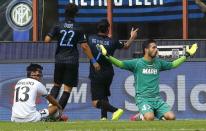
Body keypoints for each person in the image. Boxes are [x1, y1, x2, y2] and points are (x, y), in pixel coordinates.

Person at [98, 39, 198, 121]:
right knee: (149, 118)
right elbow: (120, 64)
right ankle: (141, 116)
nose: (156, 50)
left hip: (157, 99)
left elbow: (173, 64)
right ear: (146, 49)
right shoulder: (137, 63)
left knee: (172, 117)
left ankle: (151, 114)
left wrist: (187, 54)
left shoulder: (158, 63)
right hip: (143, 99)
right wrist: (107, 55)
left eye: (156, 48)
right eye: (153, 47)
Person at [44, 3, 100, 113]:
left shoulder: (57, 25)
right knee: (67, 89)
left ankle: (47, 112)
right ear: (76, 14)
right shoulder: (79, 28)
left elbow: (46, 40)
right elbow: (84, 46)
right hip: (72, 60)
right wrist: (94, 61)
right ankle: (57, 114)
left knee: (56, 85)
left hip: (59, 59)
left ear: (65, 13)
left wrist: (57, 37)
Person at [87, 19, 138, 120]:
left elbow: (84, 46)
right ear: (108, 29)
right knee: (104, 95)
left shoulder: (90, 38)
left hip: (96, 72)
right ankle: (104, 117)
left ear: (98, 28)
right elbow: (126, 46)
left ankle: (116, 110)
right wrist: (132, 37)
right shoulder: (112, 41)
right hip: (108, 73)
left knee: (95, 102)